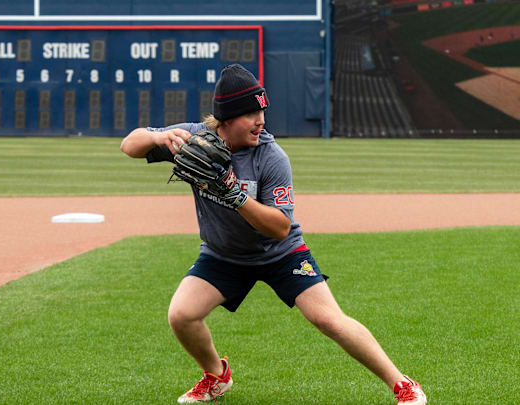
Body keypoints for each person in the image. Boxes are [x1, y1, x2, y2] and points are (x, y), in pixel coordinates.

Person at [120, 64, 426, 404]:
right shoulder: (195, 139)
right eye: (250, 113)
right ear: (225, 119)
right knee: (181, 315)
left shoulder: (271, 156)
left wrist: (234, 194)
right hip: (224, 255)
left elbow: (280, 227)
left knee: (330, 320)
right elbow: (129, 145)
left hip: (282, 254)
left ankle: (403, 385)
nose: (260, 120)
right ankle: (217, 376)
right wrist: (159, 137)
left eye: (261, 110)